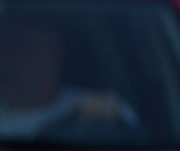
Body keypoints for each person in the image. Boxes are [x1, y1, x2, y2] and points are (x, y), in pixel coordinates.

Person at [0, 17, 137, 138]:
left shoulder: (96, 109)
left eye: (24, 50)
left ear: (54, 56)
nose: (9, 61)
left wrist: (107, 121)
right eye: (5, 49)